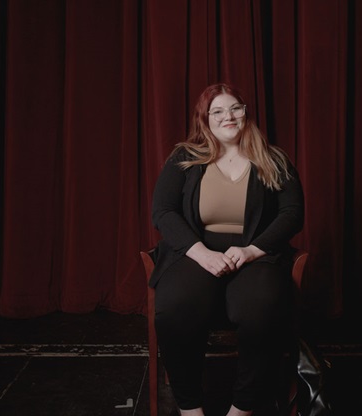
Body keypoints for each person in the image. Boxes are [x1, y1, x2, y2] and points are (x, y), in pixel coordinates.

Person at [149, 83, 304, 416]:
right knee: (174, 308)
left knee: (261, 309)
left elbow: (293, 214)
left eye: (234, 108)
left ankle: (242, 408)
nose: (227, 116)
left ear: (245, 112)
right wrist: (201, 253)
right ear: (205, 120)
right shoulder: (185, 157)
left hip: (257, 254)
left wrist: (252, 250)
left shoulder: (273, 159)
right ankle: (190, 408)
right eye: (216, 111)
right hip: (196, 252)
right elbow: (162, 211)